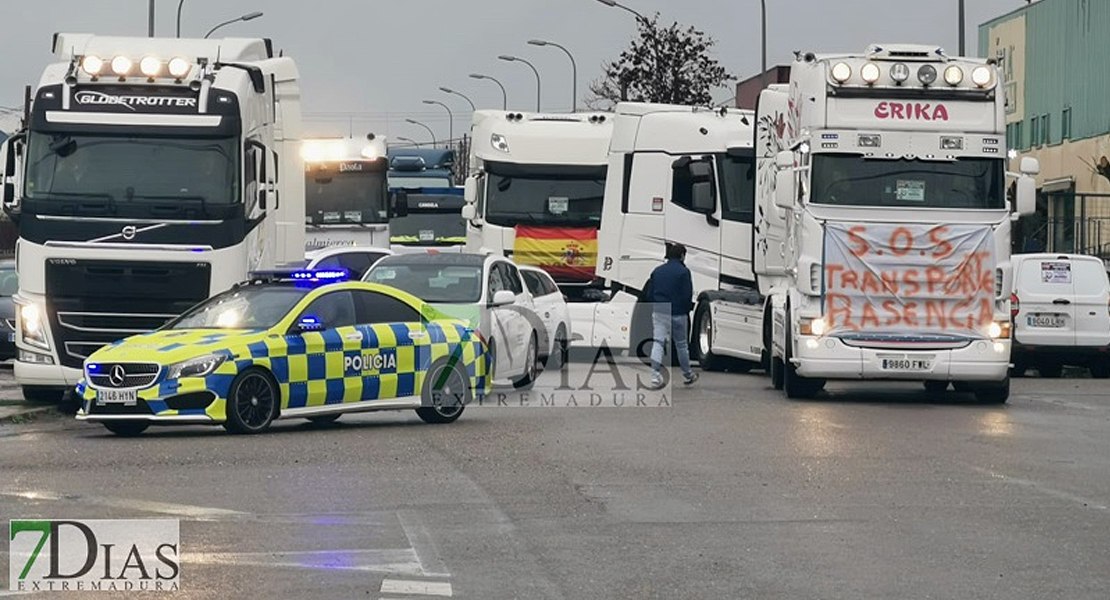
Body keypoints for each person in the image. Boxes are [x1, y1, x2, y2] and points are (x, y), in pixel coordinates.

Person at [646, 242, 697, 388]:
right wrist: (686, 308)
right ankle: (688, 374)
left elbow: (650, 292)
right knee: (681, 345)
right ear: (682, 256)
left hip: (660, 311)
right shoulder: (683, 272)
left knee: (658, 343)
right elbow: (687, 294)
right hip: (678, 312)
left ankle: (655, 377)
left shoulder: (657, 271)